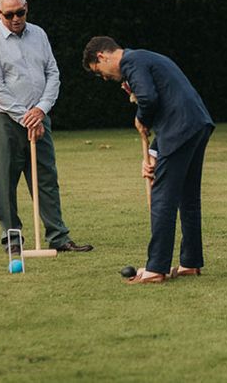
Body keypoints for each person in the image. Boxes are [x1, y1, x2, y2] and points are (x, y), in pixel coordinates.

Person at [83, 36, 214, 284]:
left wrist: (141, 117)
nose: (104, 77)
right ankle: (190, 263)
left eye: (99, 72)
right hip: (196, 124)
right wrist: (154, 153)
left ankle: (156, 268)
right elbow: (168, 101)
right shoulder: (144, 57)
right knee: (188, 198)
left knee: (162, 197)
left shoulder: (131, 63)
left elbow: (149, 99)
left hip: (181, 129)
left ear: (102, 56)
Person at [0, 0, 92, 255]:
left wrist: (41, 109)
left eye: (21, 12)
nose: (16, 18)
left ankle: (59, 236)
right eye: (9, 14)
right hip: (3, 120)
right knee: (5, 180)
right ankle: (12, 237)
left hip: (40, 118)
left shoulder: (38, 34)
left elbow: (53, 73)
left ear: (26, 7)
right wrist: (26, 117)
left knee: (46, 178)